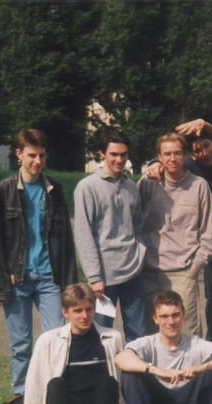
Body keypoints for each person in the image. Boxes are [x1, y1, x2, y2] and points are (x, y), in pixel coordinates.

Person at [0, 128, 77, 397]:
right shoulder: (5, 190)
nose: (37, 161)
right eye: (32, 156)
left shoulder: (54, 189)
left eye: (42, 156)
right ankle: (22, 398)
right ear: (19, 154)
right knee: (21, 345)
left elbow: (65, 239)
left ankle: (55, 396)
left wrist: (70, 284)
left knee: (58, 339)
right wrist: (1, 284)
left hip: (50, 278)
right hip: (18, 279)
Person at [21, 283, 124, 404]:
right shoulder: (48, 340)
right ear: (65, 312)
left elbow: (121, 381)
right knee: (55, 383)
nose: (84, 316)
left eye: (89, 310)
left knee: (109, 381)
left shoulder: (112, 337)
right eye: (77, 311)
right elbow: (35, 382)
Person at [138, 133, 212, 337]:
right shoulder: (147, 183)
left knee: (187, 334)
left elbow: (207, 232)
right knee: (153, 335)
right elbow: (135, 223)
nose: (172, 158)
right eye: (167, 154)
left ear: (185, 155)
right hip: (151, 271)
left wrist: (195, 266)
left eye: (178, 153)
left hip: (184, 271)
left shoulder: (199, 185)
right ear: (159, 157)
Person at [73, 129, 146, 342]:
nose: (119, 160)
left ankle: (135, 367)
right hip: (104, 277)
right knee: (101, 334)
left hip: (133, 271)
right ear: (102, 153)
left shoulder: (131, 187)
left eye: (123, 154)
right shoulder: (87, 187)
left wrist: (140, 253)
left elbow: (138, 226)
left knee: (138, 334)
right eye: (114, 154)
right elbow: (83, 234)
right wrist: (94, 276)